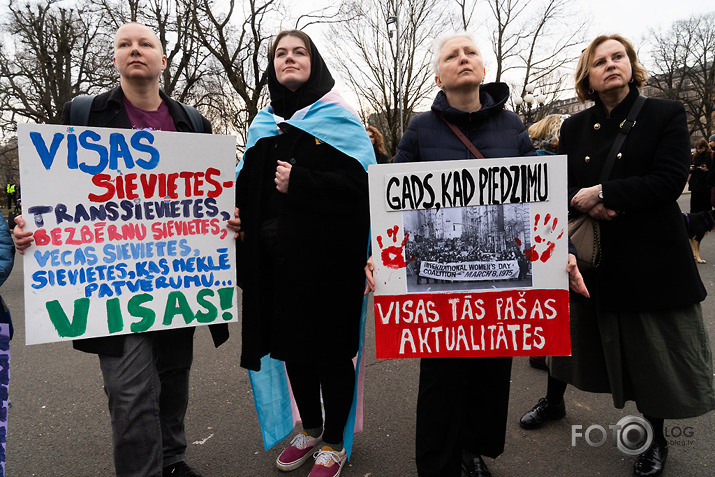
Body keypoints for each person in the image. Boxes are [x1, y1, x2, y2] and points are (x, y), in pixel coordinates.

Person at [12, 22, 230, 477]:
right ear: (114, 59)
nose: (135, 50)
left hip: (178, 280)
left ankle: (173, 459)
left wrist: (226, 221)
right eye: (124, 45)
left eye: (145, 44)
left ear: (161, 59)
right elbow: (51, 191)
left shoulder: (193, 123)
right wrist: (29, 227)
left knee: (174, 383)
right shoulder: (82, 114)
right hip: (109, 288)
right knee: (130, 394)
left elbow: (209, 199)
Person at [519, 34, 715, 477]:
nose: (611, 65)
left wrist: (605, 192)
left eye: (618, 57)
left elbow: (669, 180)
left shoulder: (666, 113)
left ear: (631, 65)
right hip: (592, 254)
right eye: (600, 61)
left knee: (650, 353)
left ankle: (655, 439)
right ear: (588, 75)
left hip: (650, 257)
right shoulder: (572, 127)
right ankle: (553, 401)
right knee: (569, 335)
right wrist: (582, 200)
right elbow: (556, 188)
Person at [367, 31, 537, 477]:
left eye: (471, 52)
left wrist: (564, 255)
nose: (463, 59)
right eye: (451, 55)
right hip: (442, 292)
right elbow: (393, 198)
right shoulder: (421, 128)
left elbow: (540, 199)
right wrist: (377, 255)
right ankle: (438, 463)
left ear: (484, 68)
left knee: (490, 372)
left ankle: (472, 449)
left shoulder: (512, 126)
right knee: (443, 377)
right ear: (439, 76)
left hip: (500, 290)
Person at [233, 30, 373, 477]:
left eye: (299, 52)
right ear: (271, 66)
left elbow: (365, 189)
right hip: (275, 268)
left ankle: (335, 440)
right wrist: (235, 218)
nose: (289, 59)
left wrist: (304, 184)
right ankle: (309, 427)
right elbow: (242, 191)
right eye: (280, 53)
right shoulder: (260, 127)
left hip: (329, 266)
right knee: (292, 351)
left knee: (330, 355)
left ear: (314, 63)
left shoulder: (340, 122)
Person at [688, 138, 712, 212]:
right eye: (697, 149)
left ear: (705, 147)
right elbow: (688, 168)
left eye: (701, 148)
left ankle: (707, 222)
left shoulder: (711, 155)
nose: (699, 150)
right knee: (695, 207)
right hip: (695, 185)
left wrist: (707, 170)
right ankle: (695, 222)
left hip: (706, 185)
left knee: (706, 207)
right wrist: (691, 169)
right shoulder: (694, 156)